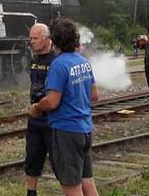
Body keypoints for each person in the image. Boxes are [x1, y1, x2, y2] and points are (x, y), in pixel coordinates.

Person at [29, 18, 99, 196]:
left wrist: (37, 107)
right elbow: (94, 96)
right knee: (88, 185)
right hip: (85, 129)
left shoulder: (58, 65)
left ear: (54, 40)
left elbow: (52, 101)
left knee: (72, 189)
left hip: (66, 131)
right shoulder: (83, 62)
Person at [24, 23, 56, 196]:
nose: (31, 42)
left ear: (46, 39)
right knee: (32, 158)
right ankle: (31, 193)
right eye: (30, 38)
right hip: (35, 118)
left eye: (35, 38)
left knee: (58, 161)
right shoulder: (34, 60)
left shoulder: (56, 60)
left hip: (52, 119)